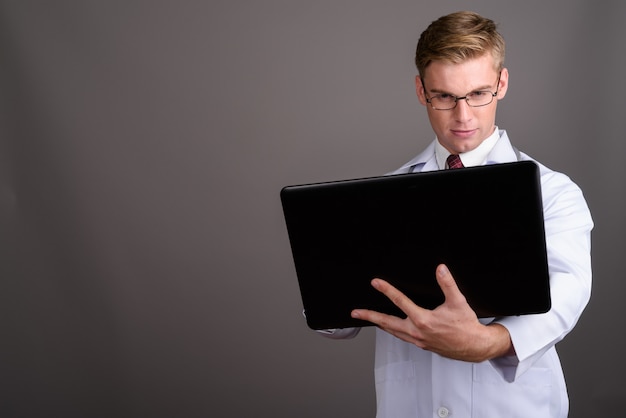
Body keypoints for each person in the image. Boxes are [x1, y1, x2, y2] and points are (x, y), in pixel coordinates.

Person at [320, 11, 593, 418]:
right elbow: (339, 321)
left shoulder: (552, 192)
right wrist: (323, 273)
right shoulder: (381, 197)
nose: (463, 116)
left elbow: (568, 294)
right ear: (421, 90)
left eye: (479, 93)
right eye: (445, 96)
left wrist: (492, 342)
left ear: (501, 84)